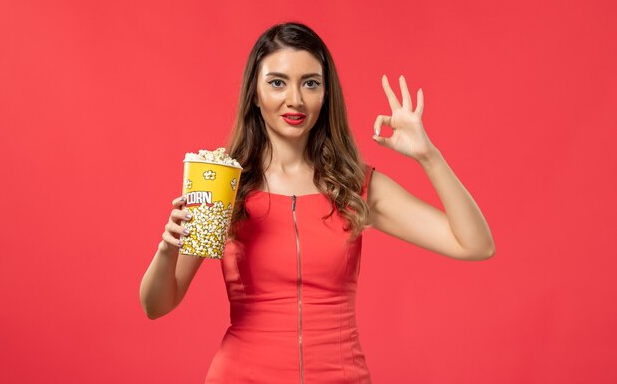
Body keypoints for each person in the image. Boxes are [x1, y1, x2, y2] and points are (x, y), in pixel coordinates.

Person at [140, 22, 495, 383]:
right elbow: (157, 305)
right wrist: (168, 248)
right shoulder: (226, 183)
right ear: (254, 93)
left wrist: (428, 156)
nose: (295, 98)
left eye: (310, 83)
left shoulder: (354, 187)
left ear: (326, 94)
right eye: (277, 82)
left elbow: (476, 245)